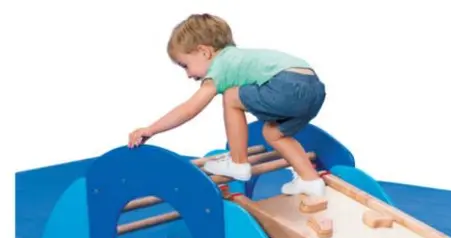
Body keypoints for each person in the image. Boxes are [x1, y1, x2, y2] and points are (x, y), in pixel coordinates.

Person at [128, 13, 327, 196]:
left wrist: (152, 129)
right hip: (314, 89)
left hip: (287, 84)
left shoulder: (220, 65)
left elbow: (189, 109)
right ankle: (310, 180)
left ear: (204, 52)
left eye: (185, 65)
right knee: (273, 133)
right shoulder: (237, 58)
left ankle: (238, 162)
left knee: (231, 96)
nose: (188, 74)